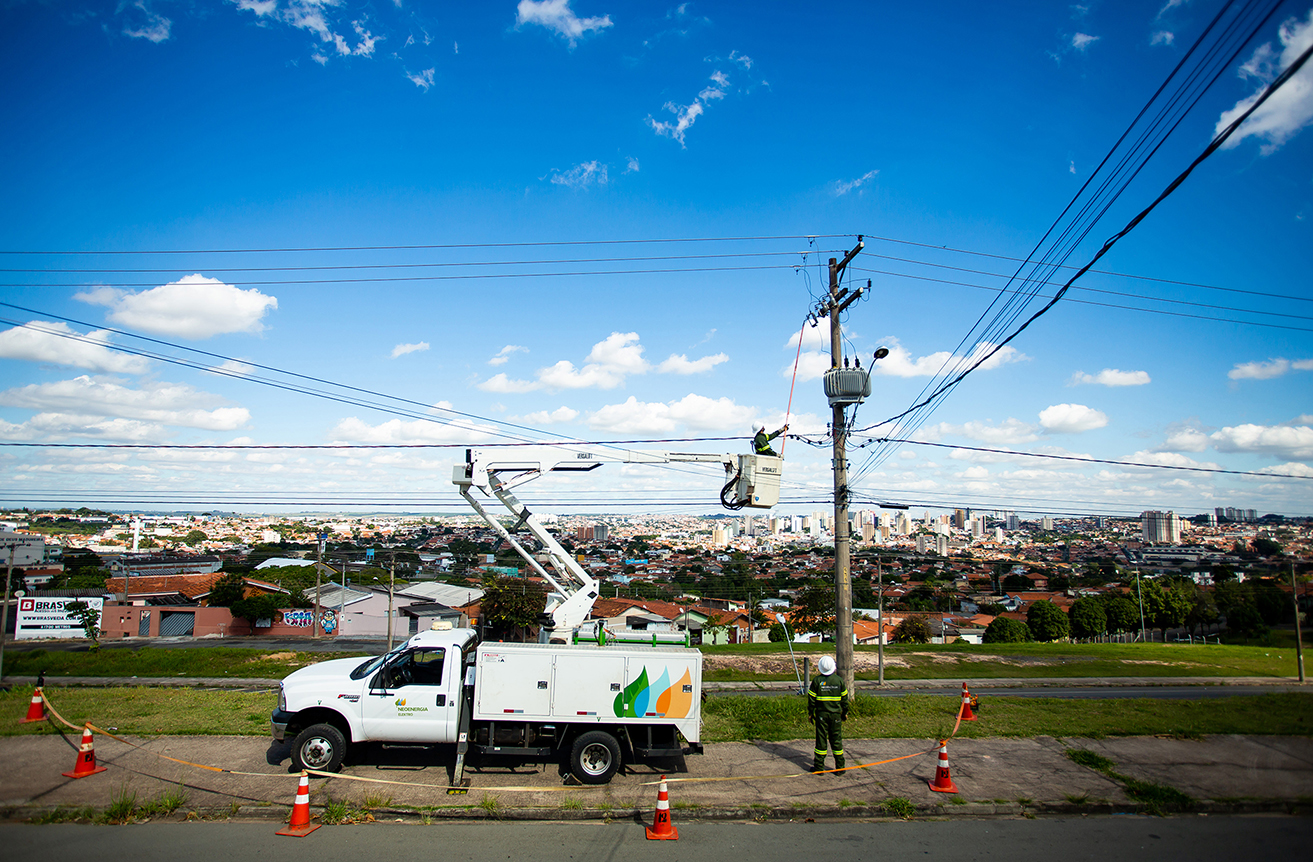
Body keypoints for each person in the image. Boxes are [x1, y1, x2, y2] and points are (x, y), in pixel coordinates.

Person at [807, 654, 849, 773]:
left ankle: (819, 767)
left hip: (821, 716)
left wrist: (810, 713)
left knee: (821, 741)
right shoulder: (839, 681)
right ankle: (840, 767)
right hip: (836, 716)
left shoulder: (816, 681)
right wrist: (845, 712)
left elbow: (811, 700)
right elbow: (844, 700)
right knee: (836, 740)